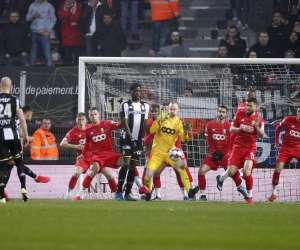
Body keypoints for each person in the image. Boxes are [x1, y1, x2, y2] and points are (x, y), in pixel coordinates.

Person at [139, 101, 199, 201]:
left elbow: (185, 140)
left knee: (182, 169)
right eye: (170, 109)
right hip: (157, 153)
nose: (171, 111)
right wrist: (159, 122)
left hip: (170, 153)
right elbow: (152, 131)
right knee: (148, 176)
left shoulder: (179, 122)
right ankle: (149, 191)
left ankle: (190, 192)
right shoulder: (161, 118)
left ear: (178, 110)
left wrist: (185, 133)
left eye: (174, 109)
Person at [73, 107, 123, 200]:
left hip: (109, 154)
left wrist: (122, 121)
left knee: (126, 163)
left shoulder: (107, 124)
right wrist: (82, 156)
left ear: (98, 115)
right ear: (89, 117)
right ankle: (79, 195)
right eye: (91, 115)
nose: (94, 116)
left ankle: (119, 193)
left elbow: (120, 126)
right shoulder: (88, 130)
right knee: (94, 169)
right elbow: (87, 145)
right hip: (97, 156)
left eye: (95, 114)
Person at [116, 83, 150, 201]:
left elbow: (145, 124)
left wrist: (141, 139)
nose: (138, 93)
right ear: (131, 91)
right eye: (136, 91)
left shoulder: (145, 105)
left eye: (139, 91)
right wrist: (131, 139)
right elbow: (125, 123)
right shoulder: (125, 104)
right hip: (126, 137)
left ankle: (127, 194)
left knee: (133, 165)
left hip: (138, 139)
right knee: (126, 163)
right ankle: (119, 192)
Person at [228, 97, 265, 205]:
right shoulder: (239, 114)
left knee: (247, 171)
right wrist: (242, 129)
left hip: (250, 148)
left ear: (255, 107)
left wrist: (257, 127)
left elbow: (262, 135)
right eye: (247, 105)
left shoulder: (259, 119)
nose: (247, 108)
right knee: (231, 172)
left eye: (250, 106)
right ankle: (240, 184)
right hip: (238, 148)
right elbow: (231, 129)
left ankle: (249, 197)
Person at [0, 77, 29, 204]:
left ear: (0, 85)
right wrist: (26, 135)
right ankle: (23, 188)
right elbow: (22, 119)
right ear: (11, 86)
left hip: (1, 136)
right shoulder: (15, 100)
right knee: (19, 162)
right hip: (13, 134)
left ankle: (1, 196)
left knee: (2, 166)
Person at [197, 106, 231, 201]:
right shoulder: (209, 125)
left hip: (225, 155)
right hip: (213, 154)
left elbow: (230, 143)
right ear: (217, 112)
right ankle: (203, 195)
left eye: (223, 112)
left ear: (226, 114)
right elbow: (209, 140)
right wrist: (214, 152)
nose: (221, 113)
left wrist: (222, 153)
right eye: (220, 111)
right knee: (201, 171)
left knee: (234, 173)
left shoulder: (229, 126)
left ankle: (246, 194)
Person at [268, 107, 300, 202]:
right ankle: (274, 193)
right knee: (278, 168)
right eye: (299, 112)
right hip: (285, 148)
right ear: (297, 112)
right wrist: (276, 142)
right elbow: (278, 128)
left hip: (298, 148)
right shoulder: (289, 119)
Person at [60, 112, 92, 199]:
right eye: (79, 120)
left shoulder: (91, 128)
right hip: (82, 158)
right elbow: (62, 144)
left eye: (83, 120)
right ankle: (69, 193)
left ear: (86, 120)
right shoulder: (73, 131)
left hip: (94, 157)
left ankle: (117, 192)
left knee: (107, 173)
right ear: (76, 121)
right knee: (76, 173)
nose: (81, 122)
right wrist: (76, 146)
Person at [26, 0, 57, 66]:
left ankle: (50, 74)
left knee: (47, 56)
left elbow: (53, 19)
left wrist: (48, 31)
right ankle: (32, 74)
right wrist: (33, 16)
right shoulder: (32, 6)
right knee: (33, 56)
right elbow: (27, 18)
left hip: (44, 34)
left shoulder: (49, 6)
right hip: (34, 33)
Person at [57, 0, 83, 66]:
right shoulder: (62, 5)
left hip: (76, 37)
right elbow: (61, 15)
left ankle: (79, 74)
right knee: (67, 59)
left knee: (78, 58)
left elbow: (77, 17)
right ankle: (67, 74)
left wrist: (66, 17)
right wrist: (70, 13)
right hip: (66, 37)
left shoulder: (79, 5)